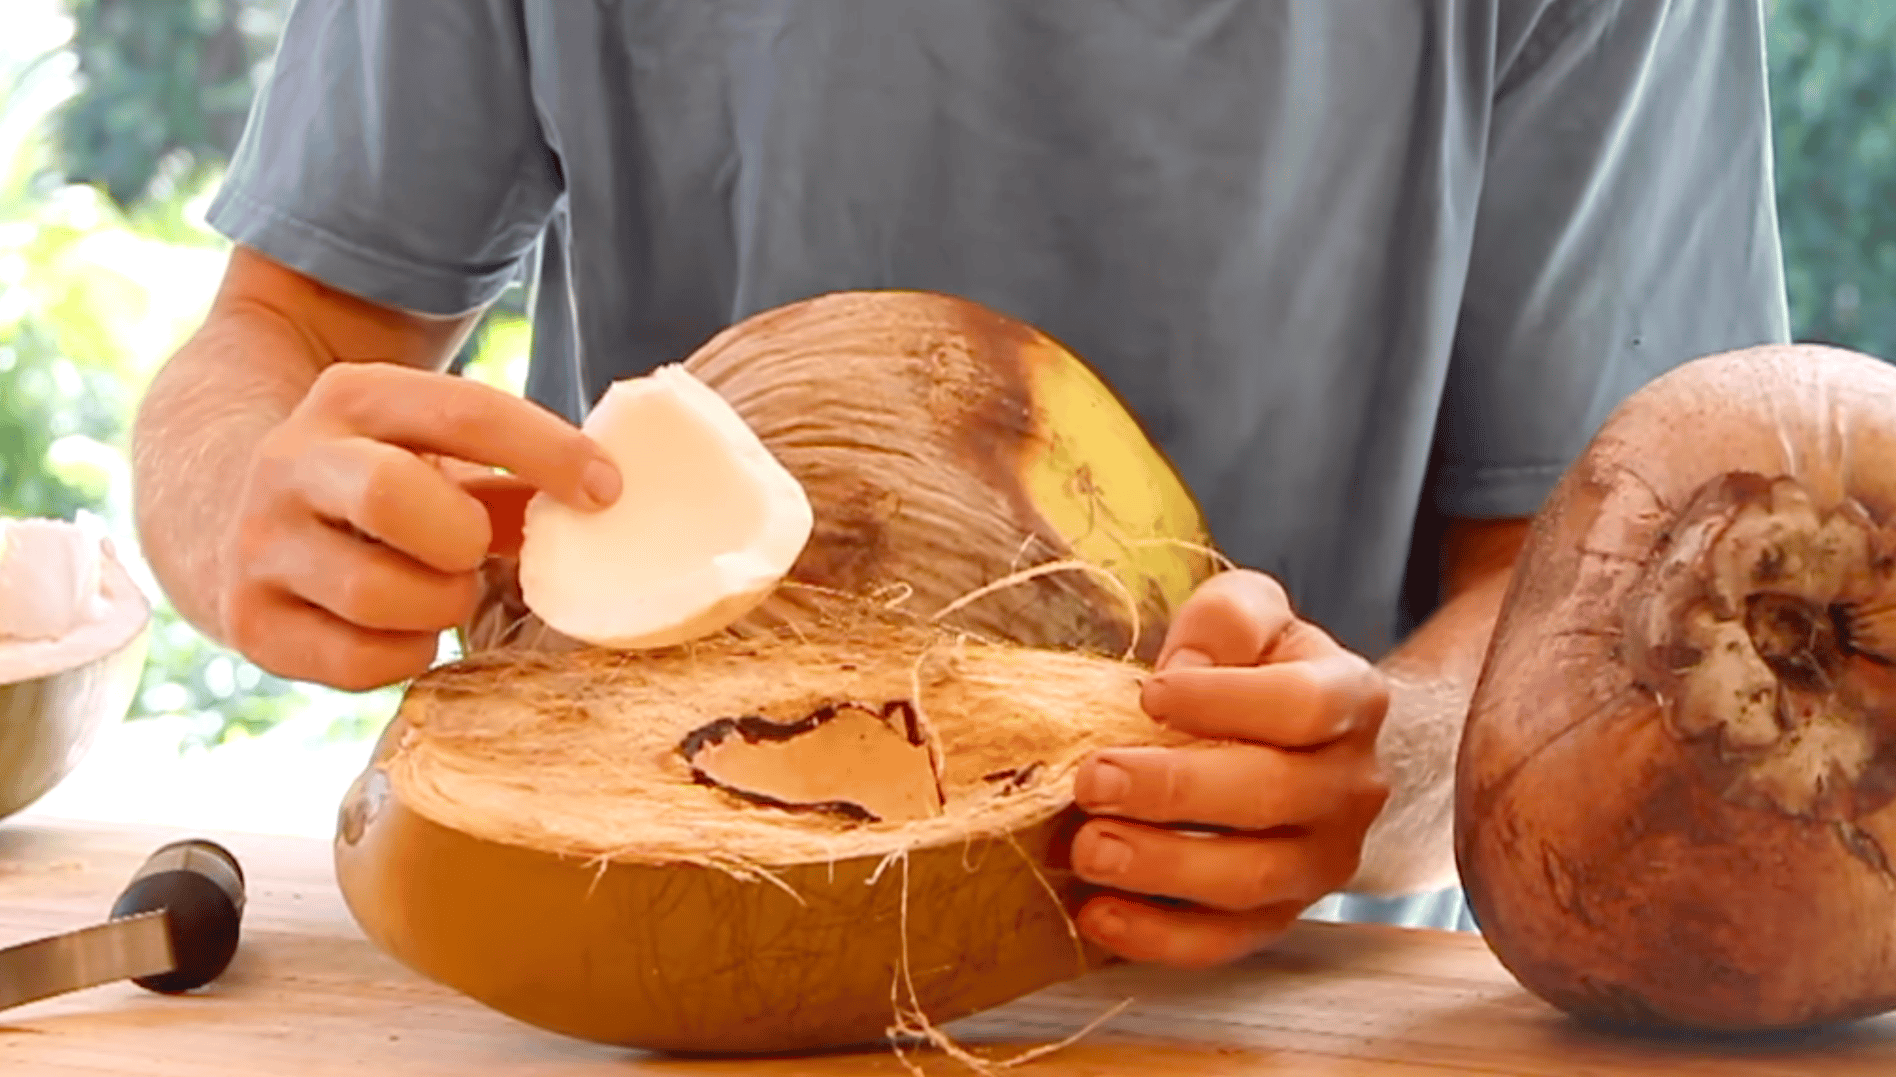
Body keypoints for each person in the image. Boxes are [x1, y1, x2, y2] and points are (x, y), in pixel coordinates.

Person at [129, 0, 1791, 968]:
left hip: (1267, 1045)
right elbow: (271, 338)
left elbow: (1605, 605)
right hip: (632, 983)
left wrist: (1383, 769)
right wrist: (258, 510)